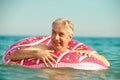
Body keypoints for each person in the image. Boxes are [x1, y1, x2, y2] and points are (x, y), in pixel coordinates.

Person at [9, 18, 110, 67]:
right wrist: (36, 53)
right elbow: (13, 56)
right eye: (53, 33)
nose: (56, 38)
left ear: (69, 37)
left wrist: (93, 55)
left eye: (61, 34)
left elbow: (107, 64)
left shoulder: (76, 52)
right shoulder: (43, 49)